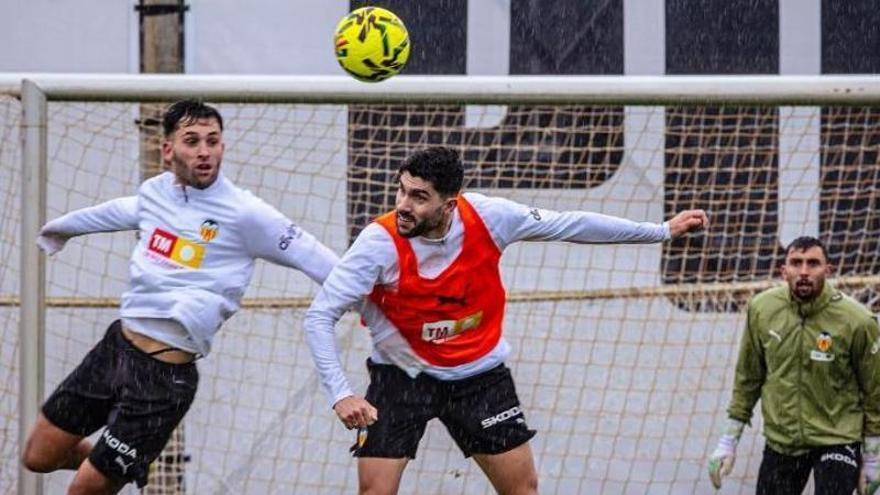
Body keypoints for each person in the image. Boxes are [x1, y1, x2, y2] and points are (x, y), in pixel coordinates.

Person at [304, 146, 709, 494]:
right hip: (401, 375)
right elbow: (320, 315)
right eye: (402, 190)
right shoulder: (378, 242)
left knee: (522, 489)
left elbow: (569, 224)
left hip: (479, 376)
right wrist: (341, 394)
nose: (403, 206)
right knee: (375, 491)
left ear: (450, 204)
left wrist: (660, 231)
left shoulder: (490, 216)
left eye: (419, 197)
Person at [21, 100, 339, 494]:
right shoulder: (155, 194)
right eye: (192, 141)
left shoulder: (246, 213)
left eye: (213, 141)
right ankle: (121, 464)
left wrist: (374, 303)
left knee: (82, 491)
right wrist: (58, 230)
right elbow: (114, 212)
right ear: (168, 150)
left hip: (163, 380)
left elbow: (319, 260)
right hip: (114, 351)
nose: (205, 151)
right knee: (38, 456)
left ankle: (115, 466)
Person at [707, 236, 880, 495]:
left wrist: (873, 456)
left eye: (813, 263)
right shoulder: (762, 309)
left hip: (837, 438)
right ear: (783, 270)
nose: (804, 271)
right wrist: (728, 441)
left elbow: (874, 391)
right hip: (783, 439)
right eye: (796, 263)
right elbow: (748, 378)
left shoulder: (858, 321)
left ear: (828, 270)